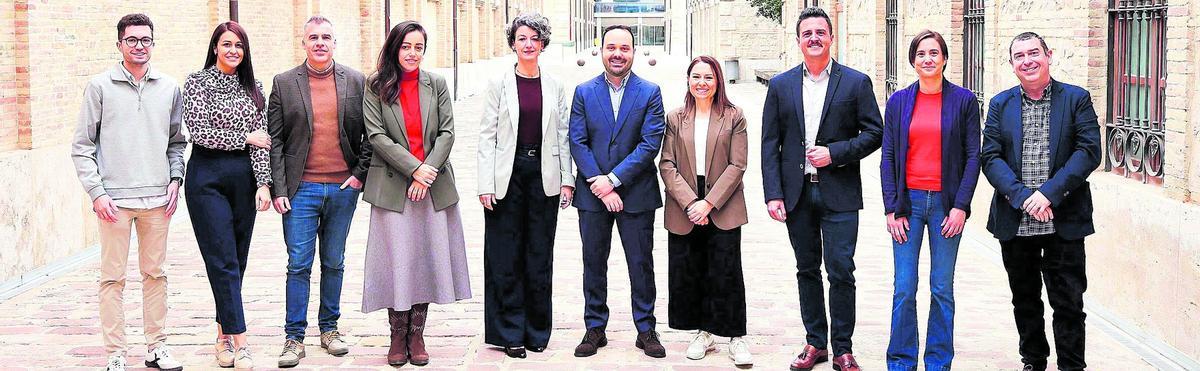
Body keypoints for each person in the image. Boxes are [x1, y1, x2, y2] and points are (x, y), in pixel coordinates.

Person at [760, 7, 882, 371]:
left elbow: (874, 133)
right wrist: (773, 193)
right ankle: (815, 343)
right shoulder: (781, 85)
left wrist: (835, 153)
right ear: (798, 40)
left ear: (831, 37)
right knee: (807, 268)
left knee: (841, 270)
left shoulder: (856, 82)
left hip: (839, 193)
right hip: (797, 194)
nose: (814, 38)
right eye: (807, 33)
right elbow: (770, 144)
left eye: (820, 32)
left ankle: (843, 348)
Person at [71, 13, 186, 371]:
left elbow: (177, 142)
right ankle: (116, 354)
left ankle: (157, 348)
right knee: (112, 278)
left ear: (153, 43)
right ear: (119, 44)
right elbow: (82, 146)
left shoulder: (169, 87)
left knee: (156, 275)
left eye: (145, 39)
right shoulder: (99, 87)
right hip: (114, 203)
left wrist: (176, 179)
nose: (139, 46)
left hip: (157, 201)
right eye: (132, 40)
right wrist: (97, 193)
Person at [981, 32, 1101, 371]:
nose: (1028, 61)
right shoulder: (1000, 104)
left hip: (1064, 219)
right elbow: (990, 156)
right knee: (1025, 300)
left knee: (1068, 303)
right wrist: (1024, 198)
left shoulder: (1076, 99)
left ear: (1049, 55)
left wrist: (1048, 194)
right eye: (1019, 56)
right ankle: (1033, 361)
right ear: (1012, 64)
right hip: (1016, 221)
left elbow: (1089, 151)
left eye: (1034, 53)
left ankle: (1071, 366)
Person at [361, 20, 472, 367]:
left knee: (424, 257)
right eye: (406, 46)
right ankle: (397, 334)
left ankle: (417, 333)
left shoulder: (436, 83)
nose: (412, 53)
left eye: (418, 47)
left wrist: (427, 173)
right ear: (395, 48)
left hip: (432, 187)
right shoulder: (376, 85)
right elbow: (376, 136)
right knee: (398, 259)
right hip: (393, 186)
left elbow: (447, 132)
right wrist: (414, 169)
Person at [267, 15, 371, 367]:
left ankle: (330, 329)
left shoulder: (355, 81)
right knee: (298, 263)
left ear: (334, 42)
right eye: (313, 37)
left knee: (334, 261)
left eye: (326, 37)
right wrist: (280, 188)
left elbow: (370, 134)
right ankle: (293, 337)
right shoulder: (284, 83)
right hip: (301, 190)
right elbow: (275, 140)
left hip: (342, 188)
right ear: (304, 43)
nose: (320, 43)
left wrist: (358, 176)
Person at [879, 30, 981, 371]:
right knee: (904, 287)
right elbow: (888, 156)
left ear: (945, 58)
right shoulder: (898, 102)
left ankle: (938, 363)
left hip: (945, 206)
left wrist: (961, 206)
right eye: (921, 53)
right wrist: (891, 208)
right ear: (912, 61)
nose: (928, 59)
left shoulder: (964, 101)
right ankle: (901, 362)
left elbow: (973, 157)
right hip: (907, 206)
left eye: (934, 52)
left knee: (941, 287)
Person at [476, 12, 574, 359]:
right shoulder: (498, 84)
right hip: (507, 176)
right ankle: (509, 332)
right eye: (522, 38)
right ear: (513, 44)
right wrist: (485, 183)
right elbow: (486, 136)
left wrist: (567, 180)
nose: (528, 44)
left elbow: (563, 135)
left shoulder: (555, 85)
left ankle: (536, 330)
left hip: (543, 177)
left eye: (535, 38)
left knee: (538, 255)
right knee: (505, 255)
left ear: (543, 43)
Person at [569, 24, 667, 359]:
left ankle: (646, 328)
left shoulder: (650, 92)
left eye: (624, 48)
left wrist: (612, 180)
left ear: (633, 52)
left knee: (641, 264)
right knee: (593, 262)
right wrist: (599, 182)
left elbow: (650, 144)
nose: (617, 54)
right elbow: (578, 141)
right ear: (601, 50)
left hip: (636, 193)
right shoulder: (584, 92)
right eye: (611, 47)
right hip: (592, 194)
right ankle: (595, 327)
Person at [182, 20, 273, 369]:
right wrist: (244, 137)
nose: (233, 50)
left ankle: (222, 334)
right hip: (207, 178)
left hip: (244, 180)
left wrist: (263, 183)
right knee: (221, 259)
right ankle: (241, 342)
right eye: (227, 44)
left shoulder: (255, 87)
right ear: (215, 48)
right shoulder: (197, 82)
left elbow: (262, 140)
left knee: (237, 260)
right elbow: (200, 132)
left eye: (239, 45)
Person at [657, 55, 752, 367]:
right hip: (685, 202)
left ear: (718, 81)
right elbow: (667, 164)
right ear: (688, 80)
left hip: (722, 201)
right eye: (696, 77)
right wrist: (690, 202)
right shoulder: (675, 118)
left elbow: (738, 165)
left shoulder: (734, 116)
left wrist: (708, 203)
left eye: (708, 77)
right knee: (691, 269)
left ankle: (736, 336)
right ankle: (704, 333)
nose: (702, 83)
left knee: (726, 270)